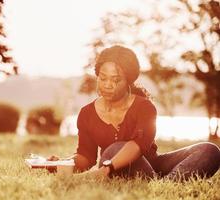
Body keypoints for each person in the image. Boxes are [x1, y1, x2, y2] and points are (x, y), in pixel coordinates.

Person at [49, 45, 220, 181]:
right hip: (115, 164)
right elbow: (86, 156)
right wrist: (62, 163)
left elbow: (137, 145)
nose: (107, 85)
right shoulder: (87, 113)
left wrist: (105, 170)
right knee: (114, 149)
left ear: (128, 81)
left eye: (116, 80)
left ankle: (162, 183)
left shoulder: (145, 107)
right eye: (103, 78)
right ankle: (162, 184)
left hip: (149, 164)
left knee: (209, 150)